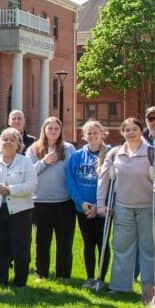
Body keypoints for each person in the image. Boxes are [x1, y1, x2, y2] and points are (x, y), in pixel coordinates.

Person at [98, 117, 155, 293]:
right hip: (122, 207)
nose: (131, 133)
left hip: (147, 207)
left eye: (134, 129)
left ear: (141, 131)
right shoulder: (115, 153)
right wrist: (101, 203)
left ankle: (149, 287)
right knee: (121, 246)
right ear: (122, 132)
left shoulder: (152, 153)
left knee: (148, 248)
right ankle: (120, 286)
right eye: (127, 130)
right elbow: (103, 179)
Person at [0, 128, 39, 287]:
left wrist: (11, 189)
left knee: (21, 245)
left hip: (21, 210)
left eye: (12, 139)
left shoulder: (25, 161)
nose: (8, 142)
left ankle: (20, 280)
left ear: (19, 144)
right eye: (5, 139)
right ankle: (1, 279)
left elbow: (31, 185)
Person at [26, 116, 76, 280]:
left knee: (65, 240)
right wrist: (44, 162)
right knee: (42, 241)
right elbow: (28, 173)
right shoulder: (34, 149)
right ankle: (41, 273)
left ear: (61, 131)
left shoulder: (68, 149)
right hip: (41, 202)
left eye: (56, 128)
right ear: (44, 130)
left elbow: (74, 171)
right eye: (50, 128)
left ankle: (63, 274)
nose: (53, 131)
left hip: (64, 202)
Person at [65, 120, 111, 289]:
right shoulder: (76, 157)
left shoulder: (110, 154)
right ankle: (90, 277)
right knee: (88, 242)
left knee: (103, 242)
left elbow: (114, 182)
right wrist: (82, 203)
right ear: (84, 136)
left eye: (96, 132)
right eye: (89, 133)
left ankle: (101, 278)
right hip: (83, 208)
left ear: (102, 134)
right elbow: (71, 182)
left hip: (103, 208)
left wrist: (101, 205)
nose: (92, 136)